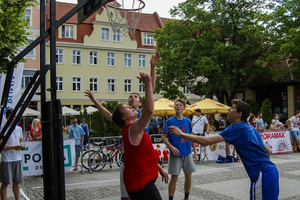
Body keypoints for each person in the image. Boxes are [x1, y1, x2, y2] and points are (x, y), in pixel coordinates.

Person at [85, 51, 168, 200]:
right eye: (130, 97)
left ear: (140, 102)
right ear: (124, 115)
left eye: (135, 96)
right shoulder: (131, 124)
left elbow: (151, 90)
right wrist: (95, 101)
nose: (132, 98)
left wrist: (152, 67)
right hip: (134, 169)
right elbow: (111, 115)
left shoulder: (137, 115)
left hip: (140, 165)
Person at [170, 99, 279, 199]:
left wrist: (181, 134)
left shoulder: (236, 128)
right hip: (271, 171)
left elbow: (206, 141)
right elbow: (268, 151)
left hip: (262, 175)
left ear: (239, 114)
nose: (228, 109)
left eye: (232, 108)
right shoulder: (251, 127)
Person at [111, 72, 165, 200]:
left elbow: (142, 154)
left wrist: (158, 167)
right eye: (126, 108)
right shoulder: (132, 128)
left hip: (140, 180)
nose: (130, 106)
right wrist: (147, 83)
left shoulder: (132, 128)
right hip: (140, 181)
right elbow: (149, 110)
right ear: (124, 117)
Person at [161, 98, 197, 200]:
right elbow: (163, 137)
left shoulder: (188, 121)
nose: (178, 106)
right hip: (176, 153)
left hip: (187, 152)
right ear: (174, 107)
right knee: (174, 177)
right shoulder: (170, 121)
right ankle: (171, 198)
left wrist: (194, 152)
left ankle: (186, 197)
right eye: (176, 105)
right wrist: (171, 147)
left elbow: (191, 136)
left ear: (184, 108)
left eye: (180, 105)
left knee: (189, 176)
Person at [0, 108, 26, 200]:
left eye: (15, 116)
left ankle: (17, 199)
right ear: (7, 117)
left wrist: (22, 146)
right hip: (7, 159)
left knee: (17, 182)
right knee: (5, 182)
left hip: (17, 158)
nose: (13, 118)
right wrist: (13, 147)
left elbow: (20, 141)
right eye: (12, 117)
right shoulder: (3, 130)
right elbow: (1, 146)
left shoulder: (19, 129)